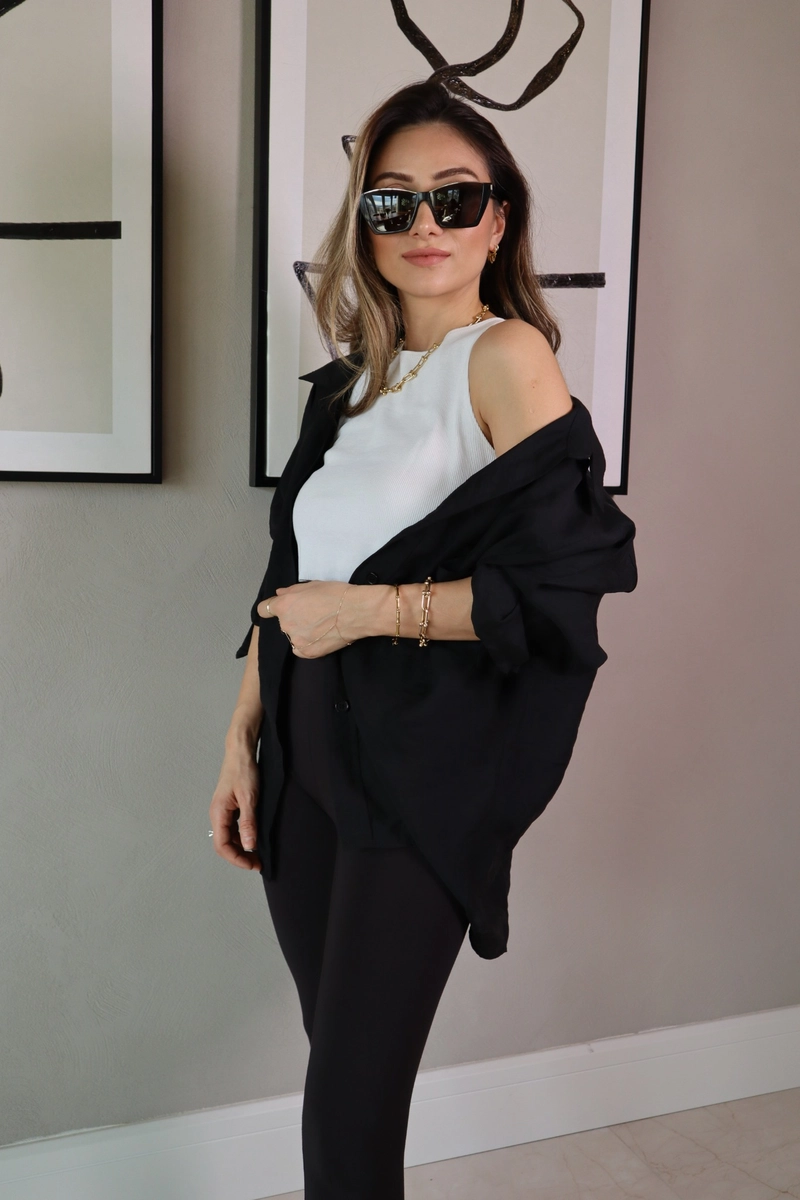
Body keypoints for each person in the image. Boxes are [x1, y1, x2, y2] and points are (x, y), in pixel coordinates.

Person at [210, 79, 637, 1200]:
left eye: (456, 198)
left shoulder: (505, 359)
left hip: (417, 764)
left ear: (499, 220)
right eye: (391, 202)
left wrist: (369, 611)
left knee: (346, 1110)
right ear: (364, 226)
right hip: (298, 751)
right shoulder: (346, 384)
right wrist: (241, 736)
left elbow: (560, 588)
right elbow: (284, 576)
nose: (425, 224)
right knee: (340, 1072)